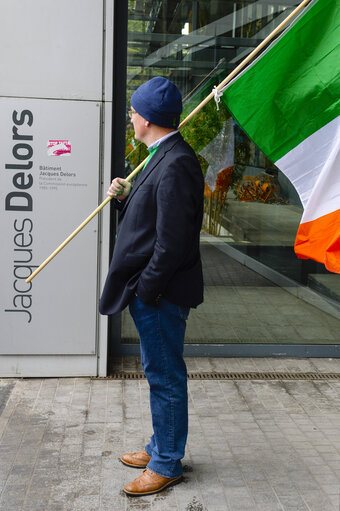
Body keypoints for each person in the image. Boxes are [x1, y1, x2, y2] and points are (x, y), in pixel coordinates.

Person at [99, 76, 204, 497]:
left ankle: (166, 463)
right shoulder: (159, 155)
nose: (130, 116)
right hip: (152, 291)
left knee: (164, 377)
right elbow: (154, 217)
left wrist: (146, 291)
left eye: (133, 111)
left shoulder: (177, 162)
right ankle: (161, 446)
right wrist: (125, 198)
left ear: (147, 118)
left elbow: (173, 242)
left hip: (160, 294)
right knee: (157, 373)